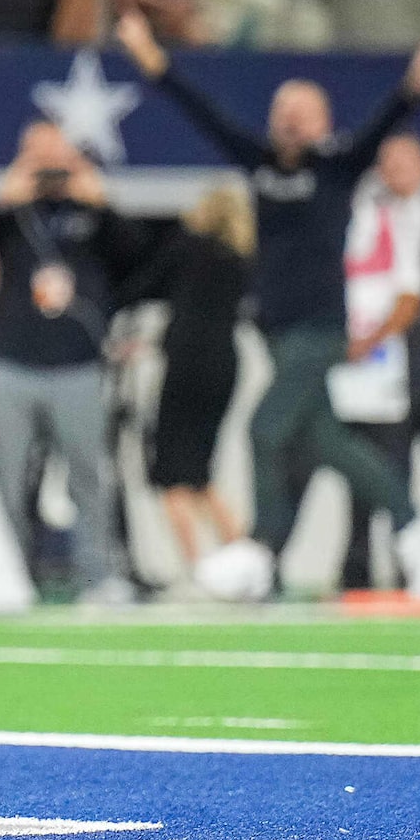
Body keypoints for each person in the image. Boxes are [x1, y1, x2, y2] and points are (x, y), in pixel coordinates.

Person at [116, 10, 420, 600]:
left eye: (302, 114)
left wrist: (416, 86)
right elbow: (201, 110)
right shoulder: (260, 165)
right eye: (282, 113)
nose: (290, 122)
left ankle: (260, 553)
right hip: (278, 330)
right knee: (325, 442)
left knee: (264, 429)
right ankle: (415, 524)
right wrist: (151, 56)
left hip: (321, 328)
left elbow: (385, 122)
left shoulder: (337, 167)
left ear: (323, 122)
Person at [0, 122, 151, 602]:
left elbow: (140, 256)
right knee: (7, 482)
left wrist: (102, 202)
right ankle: (6, 576)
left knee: (89, 476)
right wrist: (4, 195)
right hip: (9, 364)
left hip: (77, 365)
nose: (48, 165)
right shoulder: (11, 214)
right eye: (36, 154)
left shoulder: (90, 214)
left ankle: (98, 576)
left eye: (54, 153)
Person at [130, 180, 253, 581]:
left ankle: (198, 571)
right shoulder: (240, 259)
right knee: (199, 473)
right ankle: (242, 557)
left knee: (170, 474)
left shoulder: (187, 248)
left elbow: (142, 286)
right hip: (223, 366)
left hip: (187, 366)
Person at [327, 140, 420, 588]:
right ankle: (356, 567)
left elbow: (411, 294)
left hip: (393, 371)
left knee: (395, 469)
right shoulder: (333, 228)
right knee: (354, 476)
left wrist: (370, 339)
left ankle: (411, 560)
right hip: (341, 374)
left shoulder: (402, 224)